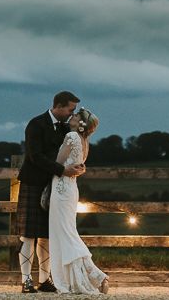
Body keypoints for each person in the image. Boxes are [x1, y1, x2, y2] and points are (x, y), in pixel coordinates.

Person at [16, 91, 85, 293]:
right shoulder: (36, 124)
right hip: (33, 183)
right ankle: (26, 280)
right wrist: (63, 170)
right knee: (28, 235)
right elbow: (35, 156)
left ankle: (45, 280)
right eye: (70, 109)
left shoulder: (66, 128)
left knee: (46, 234)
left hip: (54, 186)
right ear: (59, 106)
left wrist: (77, 166)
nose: (72, 113)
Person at [48, 107, 109, 294]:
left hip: (62, 187)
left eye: (75, 116)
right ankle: (91, 276)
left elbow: (58, 162)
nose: (72, 116)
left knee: (65, 233)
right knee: (68, 231)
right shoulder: (84, 141)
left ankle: (96, 275)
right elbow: (80, 165)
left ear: (80, 123)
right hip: (71, 188)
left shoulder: (72, 137)